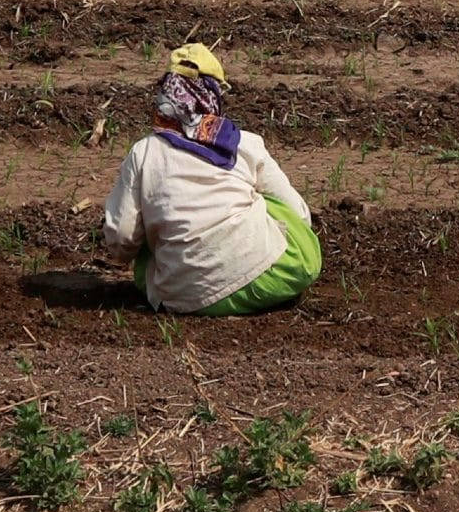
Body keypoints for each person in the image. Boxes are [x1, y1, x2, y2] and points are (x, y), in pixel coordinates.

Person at [103, 44, 322, 315]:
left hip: (183, 298)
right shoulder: (244, 144)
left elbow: (121, 238)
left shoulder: (143, 152)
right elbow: (300, 216)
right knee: (271, 204)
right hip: (269, 282)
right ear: (213, 94)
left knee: (150, 240)